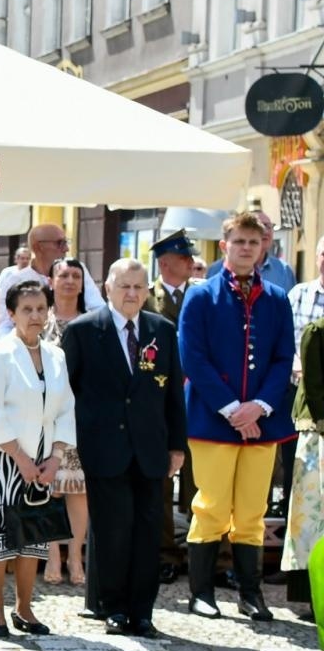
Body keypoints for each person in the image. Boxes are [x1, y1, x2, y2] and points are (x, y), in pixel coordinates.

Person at [178, 211, 294, 621]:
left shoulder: (278, 299)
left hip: (263, 423)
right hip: (213, 421)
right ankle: (202, 592)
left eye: (253, 242)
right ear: (224, 245)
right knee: (210, 506)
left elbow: (283, 359)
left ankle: (251, 593)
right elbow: (193, 357)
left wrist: (259, 406)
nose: (246, 249)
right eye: (239, 242)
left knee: (251, 512)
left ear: (264, 247)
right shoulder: (200, 295)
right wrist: (232, 409)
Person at [62, 259, 186, 638]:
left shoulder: (162, 330)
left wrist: (177, 446)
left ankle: (142, 611)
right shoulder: (84, 331)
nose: (131, 294)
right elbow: (68, 392)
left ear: (147, 290)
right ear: (108, 287)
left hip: (150, 450)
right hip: (104, 448)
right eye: (124, 286)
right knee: (114, 530)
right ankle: (113, 607)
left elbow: (173, 394)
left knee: (148, 532)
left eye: (138, 287)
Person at [0, 280, 75, 636]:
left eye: (41, 309)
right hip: (2, 457)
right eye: (27, 309)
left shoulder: (56, 355)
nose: (35, 316)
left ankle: (25, 609)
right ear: (11, 313)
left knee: (33, 536)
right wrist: (19, 457)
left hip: (43, 459)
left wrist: (57, 457)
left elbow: (66, 409)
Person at [145, 228, 202, 581]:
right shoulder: (147, 298)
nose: (191, 263)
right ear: (165, 263)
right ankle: (165, 553)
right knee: (161, 483)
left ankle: (202, 555)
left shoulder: (200, 295)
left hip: (197, 401)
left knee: (200, 483)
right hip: (161, 400)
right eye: (184, 258)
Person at [41, 258, 91, 586]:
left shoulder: (93, 322)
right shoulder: (37, 319)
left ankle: (76, 557)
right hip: (43, 413)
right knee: (48, 487)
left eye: (76, 276)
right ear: (51, 281)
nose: (70, 281)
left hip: (82, 414)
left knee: (77, 488)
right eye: (64, 275)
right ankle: (51, 555)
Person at [283, 241, 324, 616]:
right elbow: (312, 385)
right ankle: (312, 595)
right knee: (313, 519)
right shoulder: (315, 330)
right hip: (318, 436)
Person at [0, 224, 103, 334]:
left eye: (66, 242)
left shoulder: (76, 270)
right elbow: (4, 326)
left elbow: (98, 309)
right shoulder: (15, 280)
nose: (66, 248)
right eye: (60, 243)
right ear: (38, 247)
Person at [207, 209, 297, 293]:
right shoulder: (215, 270)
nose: (265, 231)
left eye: (268, 226)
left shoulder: (284, 271)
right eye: (240, 241)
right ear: (224, 246)